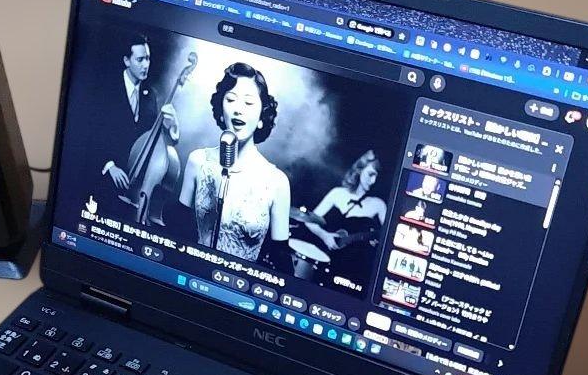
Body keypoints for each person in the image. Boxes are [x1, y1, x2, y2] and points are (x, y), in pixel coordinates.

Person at [178, 62, 290, 267]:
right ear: (221, 111)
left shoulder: (277, 182)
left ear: (261, 117)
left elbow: (281, 260)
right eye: (231, 100)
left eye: (249, 103)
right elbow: (177, 229)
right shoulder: (198, 160)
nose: (239, 110)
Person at [94, 35, 179, 218]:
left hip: (134, 187)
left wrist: (172, 126)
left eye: (148, 59)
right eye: (140, 59)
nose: (145, 65)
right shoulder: (106, 89)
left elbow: (155, 142)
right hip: (105, 179)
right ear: (127, 60)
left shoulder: (151, 95)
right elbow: (92, 132)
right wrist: (110, 166)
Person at [299, 150, 386, 284]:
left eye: (377, 177)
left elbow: (388, 239)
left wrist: (377, 243)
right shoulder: (337, 193)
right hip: (323, 260)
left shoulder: (378, 204)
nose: (373, 181)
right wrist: (325, 236)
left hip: (353, 269)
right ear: (359, 169)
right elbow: (309, 221)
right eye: (370, 174)